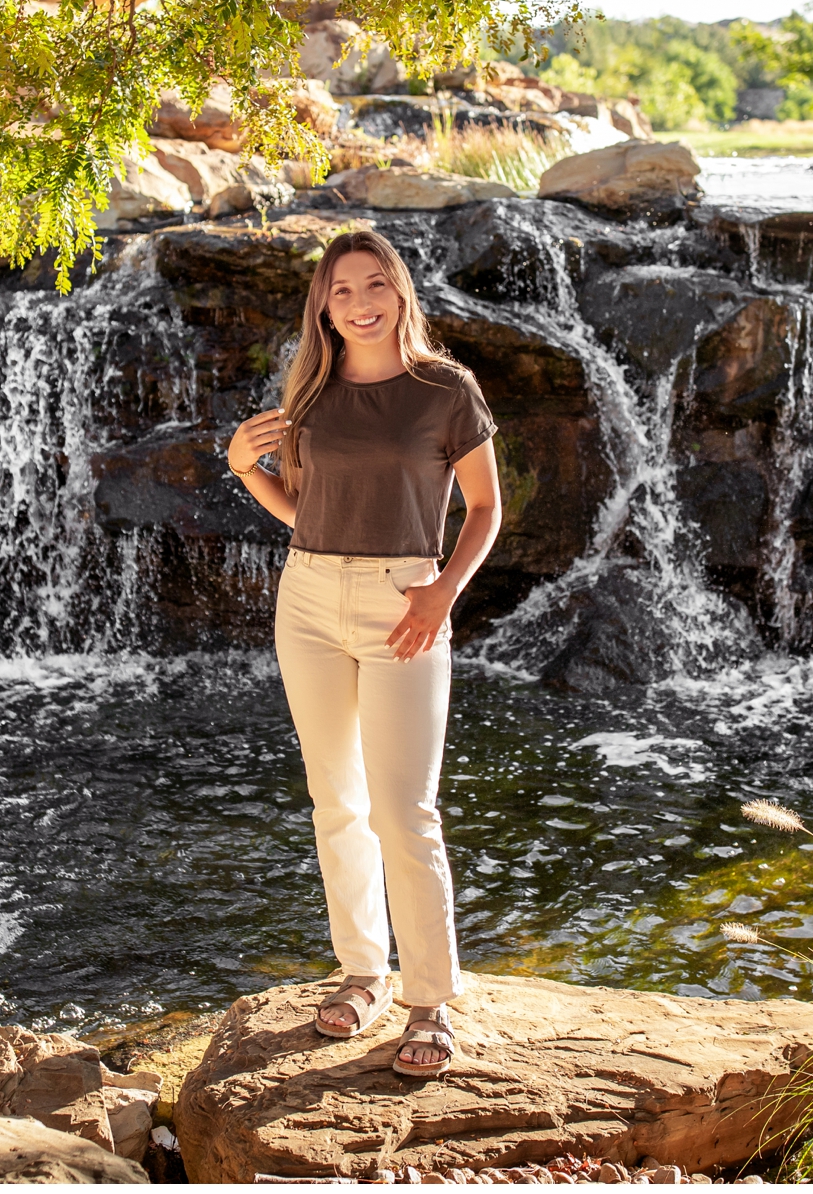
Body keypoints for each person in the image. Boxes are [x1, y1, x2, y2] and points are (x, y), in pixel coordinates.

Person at [225, 228, 503, 1080]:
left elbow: (486, 507)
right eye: (341, 290)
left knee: (403, 808)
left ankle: (429, 1000)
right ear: (324, 305)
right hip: (308, 595)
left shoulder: (445, 388)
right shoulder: (307, 392)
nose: (360, 302)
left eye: (374, 285)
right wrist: (247, 469)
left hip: (405, 597)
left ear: (400, 291)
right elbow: (305, 511)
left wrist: (441, 591)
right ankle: (362, 972)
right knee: (335, 800)